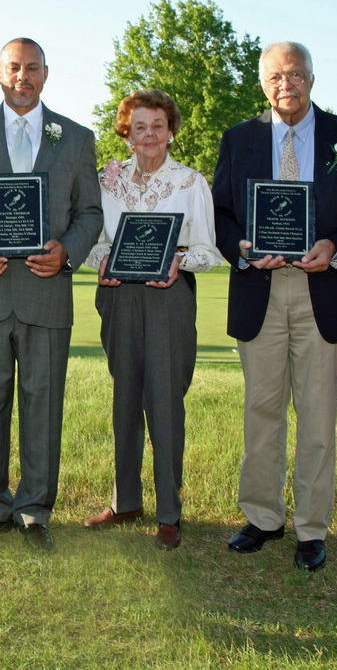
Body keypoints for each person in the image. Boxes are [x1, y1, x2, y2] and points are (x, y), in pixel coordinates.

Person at [212, 41, 337, 571]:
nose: (287, 83)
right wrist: (239, 247)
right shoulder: (239, 139)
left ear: (312, 77)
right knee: (261, 411)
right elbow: (219, 214)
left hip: (320, 292)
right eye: (277, 76)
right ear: (263, 81)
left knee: (317, 416)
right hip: (259, 291)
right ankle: (263, 517)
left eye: (297, 74)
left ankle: (312, 527)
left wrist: (335, 249)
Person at [0, 38, 102, 550]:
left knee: (43, 403)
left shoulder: (75, 138)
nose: (23, 77)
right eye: (14, 68)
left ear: (47, 74)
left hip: (46, 292)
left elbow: (90, 213)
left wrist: (67, 252)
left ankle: (35, 509)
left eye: (32, 68)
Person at [82, 90, 222, 549]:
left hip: (168, 300)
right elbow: (93, 242)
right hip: (119, 298)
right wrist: (103, 259)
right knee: (125, 398)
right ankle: (126, 501)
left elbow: (207, 249)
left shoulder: (190, 183)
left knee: (164, 401)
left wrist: (179, 261)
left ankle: (169, 511)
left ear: (170, 130)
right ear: (126, 131)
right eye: (139, 126)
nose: (149, 135)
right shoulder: (105, 181)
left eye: (157, 125)